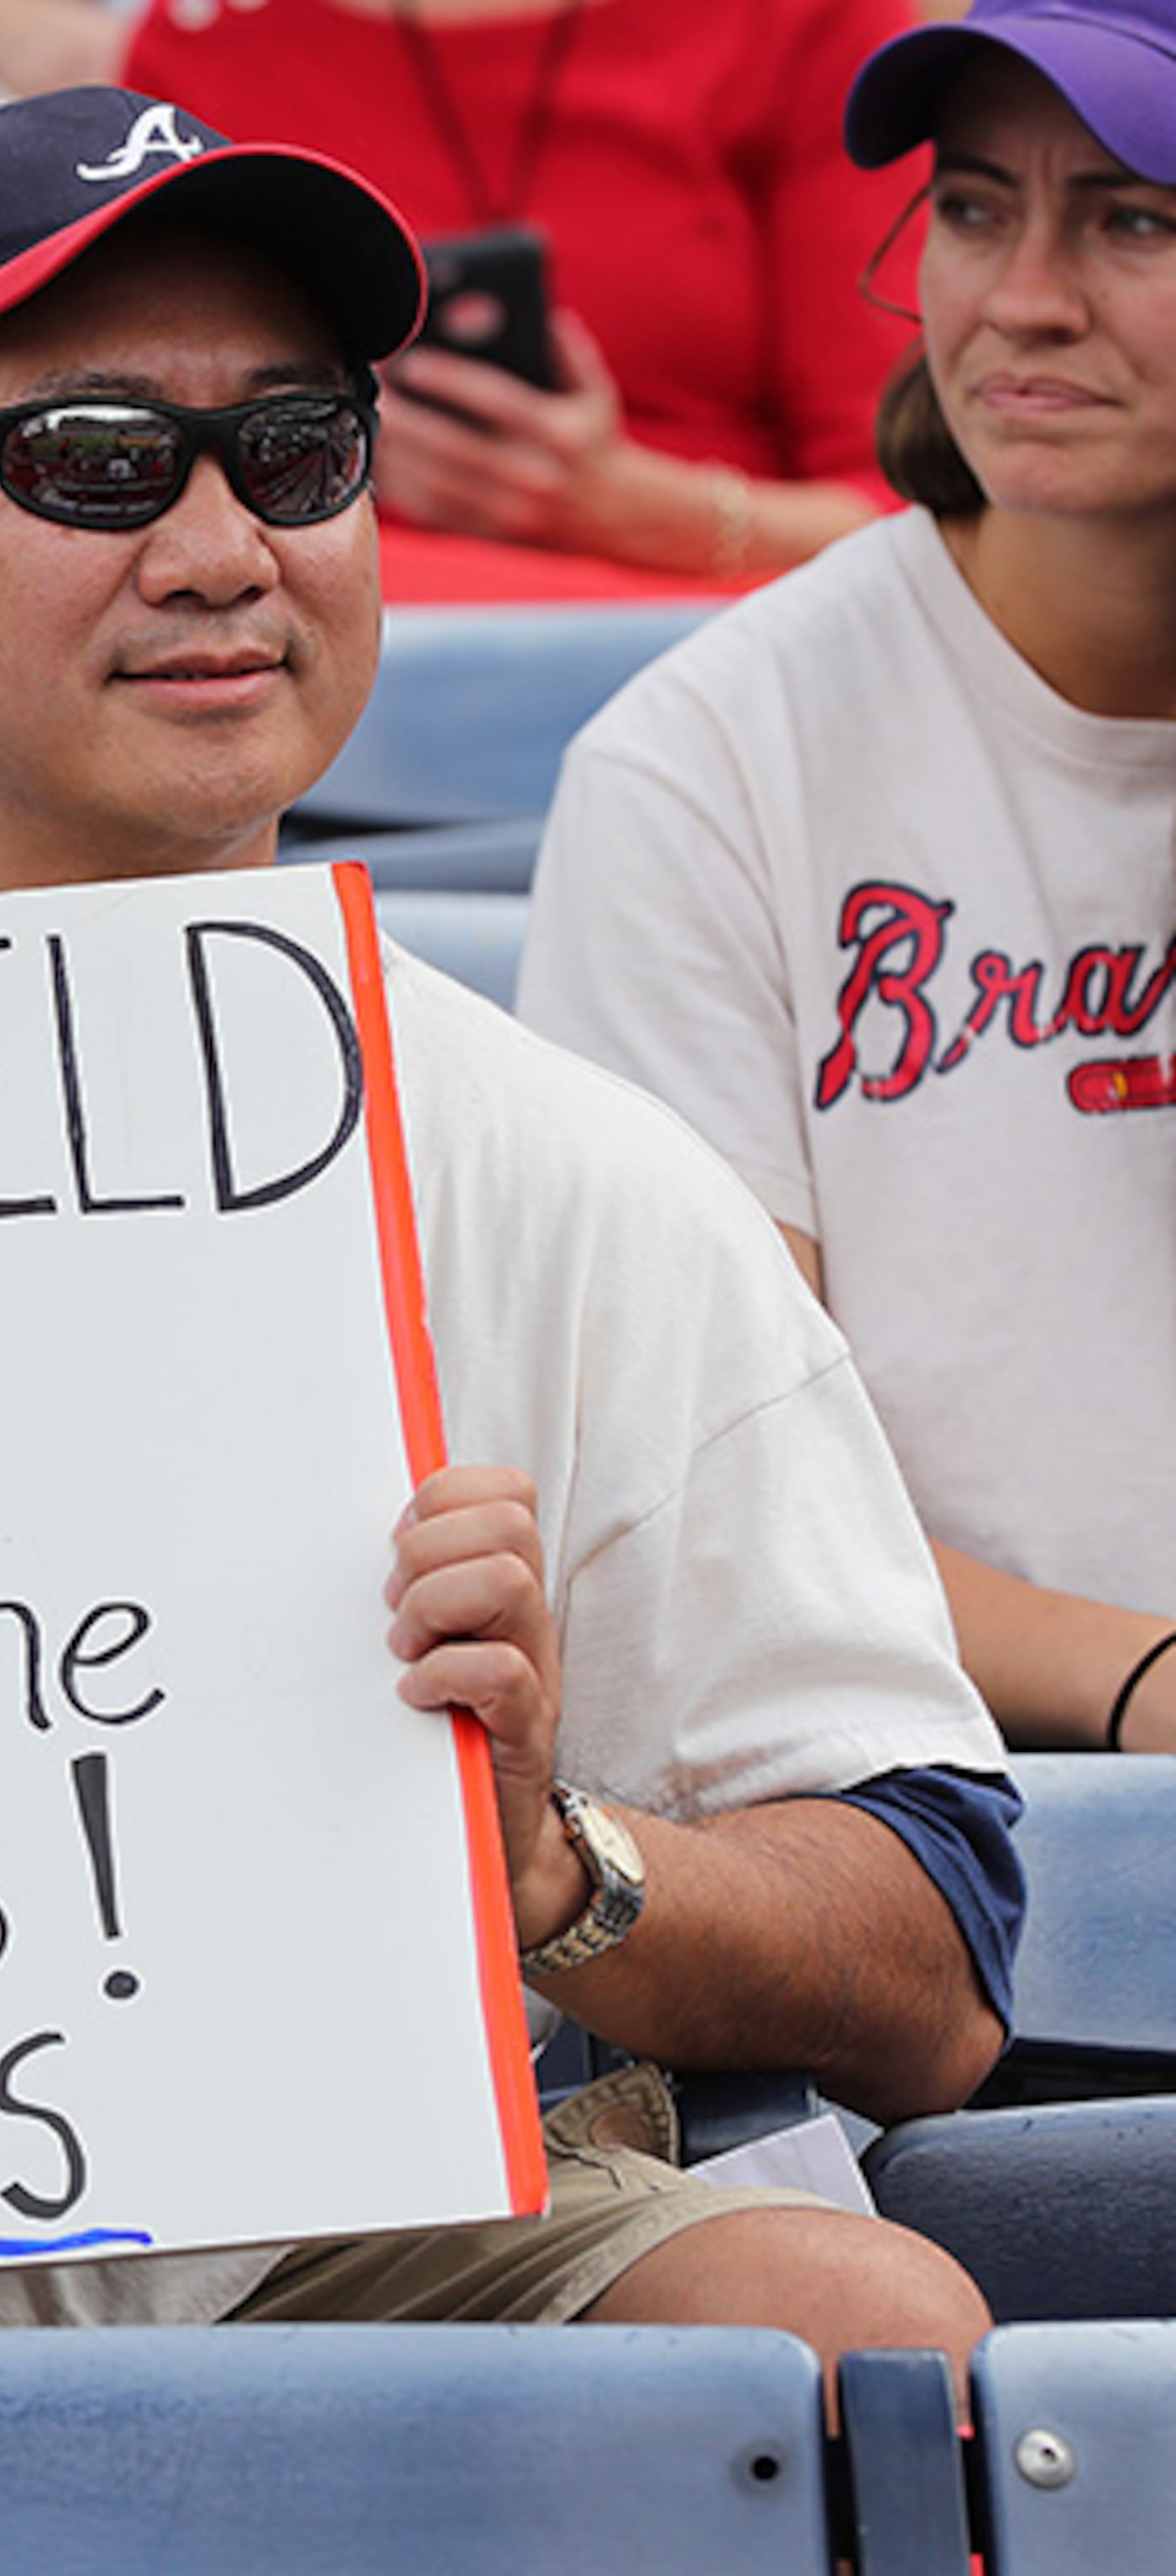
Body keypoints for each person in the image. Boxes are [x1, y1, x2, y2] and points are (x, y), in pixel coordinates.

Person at [0, 85, 1017, 2368]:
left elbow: (947, 1954)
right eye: (95, 458)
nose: (217, 546)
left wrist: (558, 1870)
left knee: (848, 2326)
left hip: (357, 2210)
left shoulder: (571, 1166)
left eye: (296, 454)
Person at [520, 0, 1176, 1756]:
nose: (1021, 298)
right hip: (932, 1811)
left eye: (1135, 221)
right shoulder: (711, 759)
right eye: (972, 208)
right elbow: (718, 1482)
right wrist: (1146, 1683)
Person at [0, 0, 924, 602]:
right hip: (312, 646)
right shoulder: (208, 48)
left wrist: (628, 508)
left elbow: (924, 518)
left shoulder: (802, 25)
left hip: (700, 647)